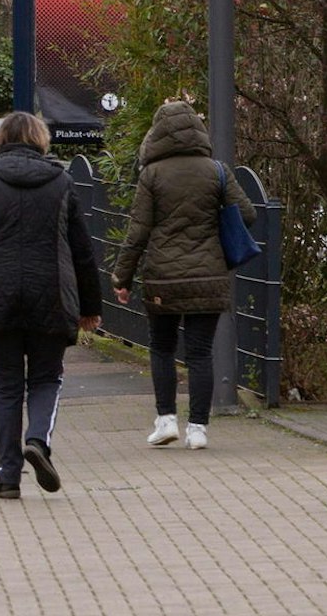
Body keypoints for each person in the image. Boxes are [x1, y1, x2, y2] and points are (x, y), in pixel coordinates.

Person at [0, 111, 102, 499]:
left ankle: (8, 477)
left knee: (7, 388)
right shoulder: (61, 183)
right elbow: (82, 251)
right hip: (52, 295)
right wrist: (90, 306)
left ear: (0, 140)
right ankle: (37, 441)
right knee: (47, 379)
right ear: (40, 140)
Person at [110, 100, 255, 451]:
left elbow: (138, 232)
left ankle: (165, 421)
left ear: (158, 132)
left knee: (161, 347)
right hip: (209, 275)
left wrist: (122, 278)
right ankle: (198, 429)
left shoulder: (152, 174)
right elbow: (248, 214)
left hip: (163, 276)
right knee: (200, 353)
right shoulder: (217, 170)